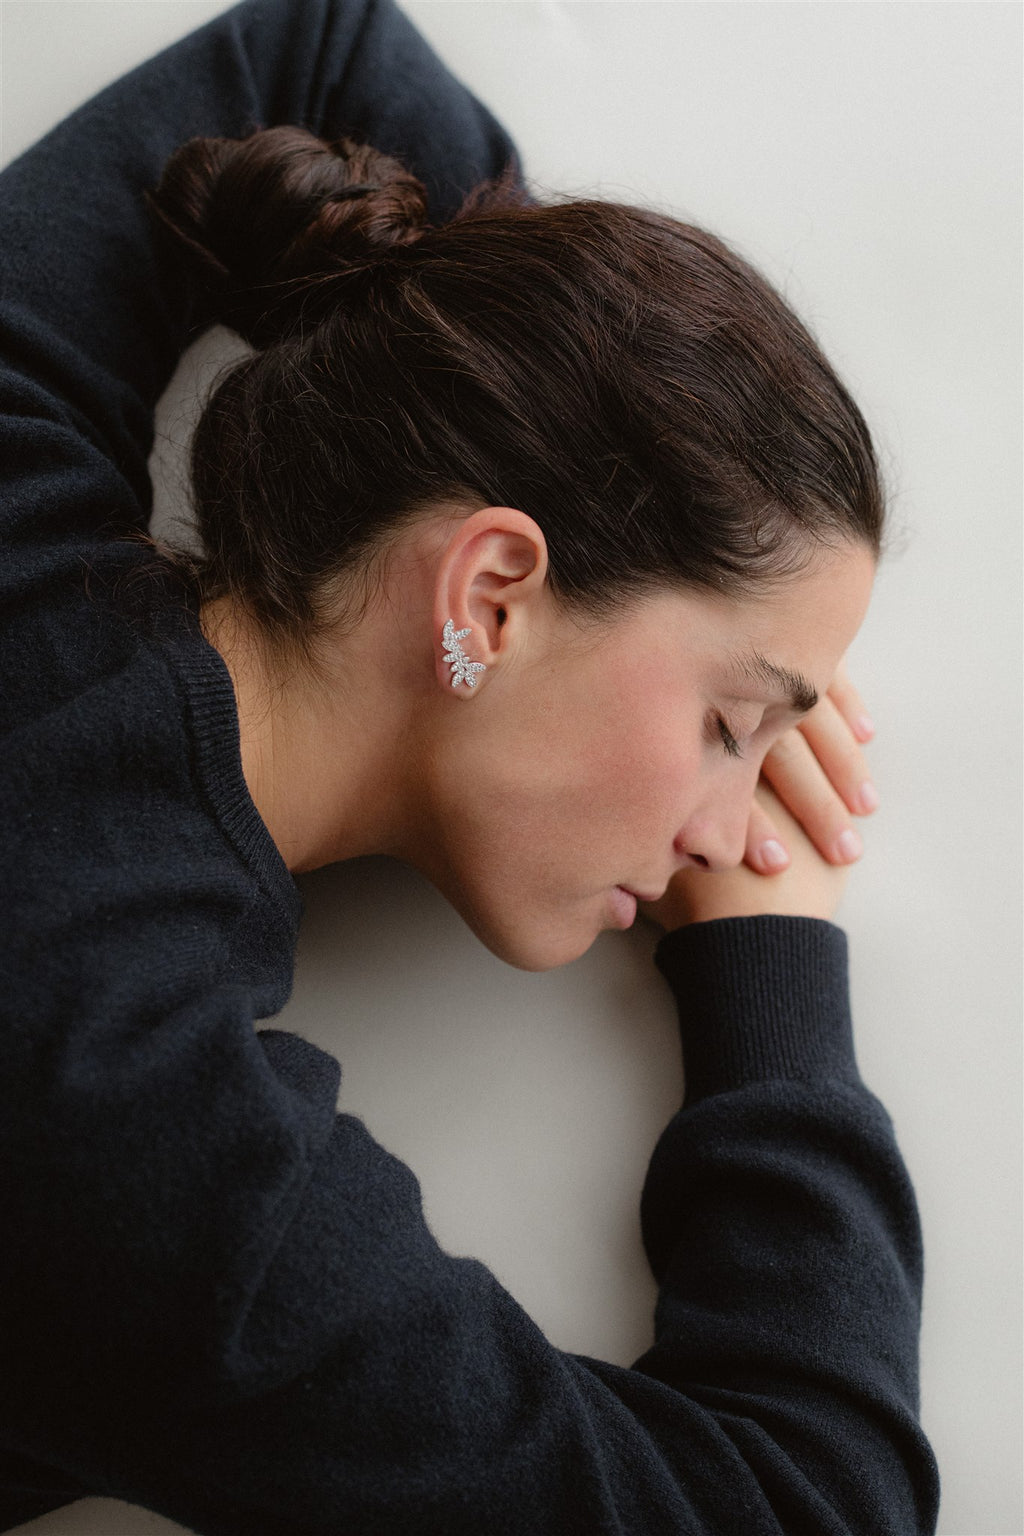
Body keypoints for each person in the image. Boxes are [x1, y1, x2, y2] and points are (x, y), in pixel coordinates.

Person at [0, 0, 940, 1531]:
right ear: (490, 592)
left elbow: (317, 45)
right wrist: (771, 967)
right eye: (732, 723)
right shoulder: (140, 1140)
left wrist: (512, 351)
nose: (734, 818)